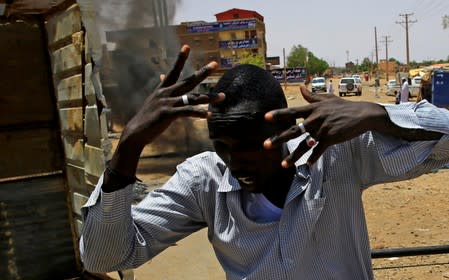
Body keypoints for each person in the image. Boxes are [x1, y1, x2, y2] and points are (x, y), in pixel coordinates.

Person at [80, 45, 449, 279]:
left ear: (287, 124)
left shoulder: (335, 153)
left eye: (253, 144)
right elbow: (104, 257)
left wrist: (376, 115)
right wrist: (128, 146)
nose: (238, 161)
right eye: (224, 146)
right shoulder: (204, 181)